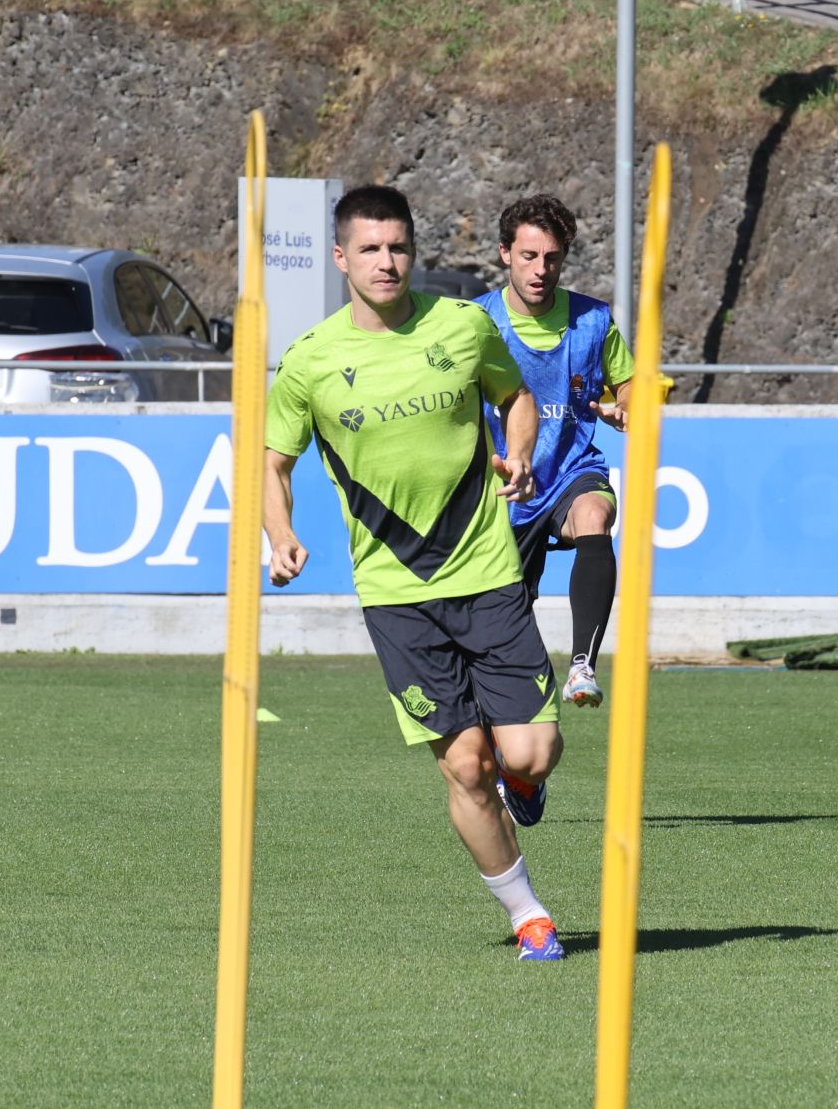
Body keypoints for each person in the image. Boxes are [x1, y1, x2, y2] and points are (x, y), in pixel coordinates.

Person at [262, 184, 568, 962]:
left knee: (530, 754)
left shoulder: (464, 327)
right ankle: (528, 915)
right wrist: (280, 532)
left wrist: (522, 448)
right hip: (397, 596)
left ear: (414, 251)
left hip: (486, 569)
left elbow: (516, 396)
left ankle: (522, 783)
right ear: (341, 259)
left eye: (398, 246)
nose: (386, 261)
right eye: (369, 248)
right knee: (465, 764)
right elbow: (272, 463)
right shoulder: (310, 363)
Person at [475, 195, 636, 709]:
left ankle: (583, 665)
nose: (540, 269)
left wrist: (624, 407)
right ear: (504, 254)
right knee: (504, 633)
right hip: (504, 488)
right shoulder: (473, 322)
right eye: (528, 256)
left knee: (596, 514)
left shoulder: (593, 320)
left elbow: (629, 385)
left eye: (552, 258)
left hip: (571, 470)